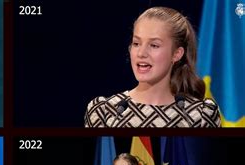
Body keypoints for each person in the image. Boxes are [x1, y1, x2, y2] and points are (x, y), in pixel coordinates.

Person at [84, 7, 221, 128]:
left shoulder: (201, 115)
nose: (141, 53)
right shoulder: (103, 111)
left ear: (176, 54)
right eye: (136, 43)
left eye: (154, 45)